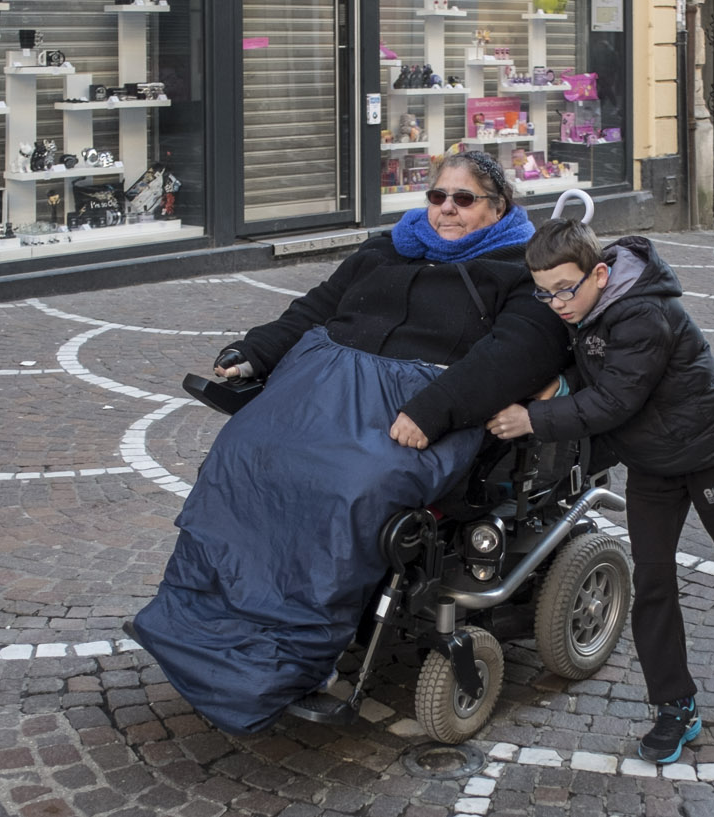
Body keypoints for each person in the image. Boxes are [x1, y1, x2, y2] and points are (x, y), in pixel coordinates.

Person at [129, 151, 569, 735]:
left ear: (499, 206)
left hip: (424, 406)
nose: (446, 211)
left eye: (464, 200)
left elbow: (516, 353)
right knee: (244, 454)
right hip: (324, 388)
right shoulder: (392, 245)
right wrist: (256, 350)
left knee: (349, 488)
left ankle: (295, 650)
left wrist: (435, 409)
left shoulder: (520, 265)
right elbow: (319, 306)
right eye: (437, 197)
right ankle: (193, 618)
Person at [486, 220, 714, 764]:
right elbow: (597, 380)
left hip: (708, 452)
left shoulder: (645, 313)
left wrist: (533, 417)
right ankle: (675, 706)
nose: (556, 302)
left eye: (565, 288)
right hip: (652, 463)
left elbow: (614, 401)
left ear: (599, 274)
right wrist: (561, 386)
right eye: (544, 291)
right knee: (653, 583)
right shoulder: (586, 309)